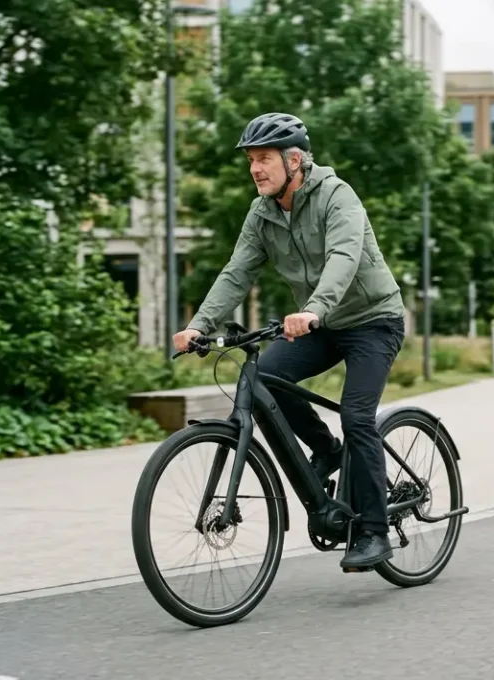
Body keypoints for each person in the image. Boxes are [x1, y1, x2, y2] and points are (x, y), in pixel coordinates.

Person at [172, 112, 407, 570]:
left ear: (294, 160)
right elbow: (236, 273)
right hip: (320, 324)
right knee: (267, 377)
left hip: (372, 321)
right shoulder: (261, 213)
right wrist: (199, 325)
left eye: (265, 159)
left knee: (358, 415)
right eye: (251, 161)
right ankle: (326, 450)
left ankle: (375, 532)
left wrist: (315, 309)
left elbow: (344, 256)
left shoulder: (338, 197)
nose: (256, 168)